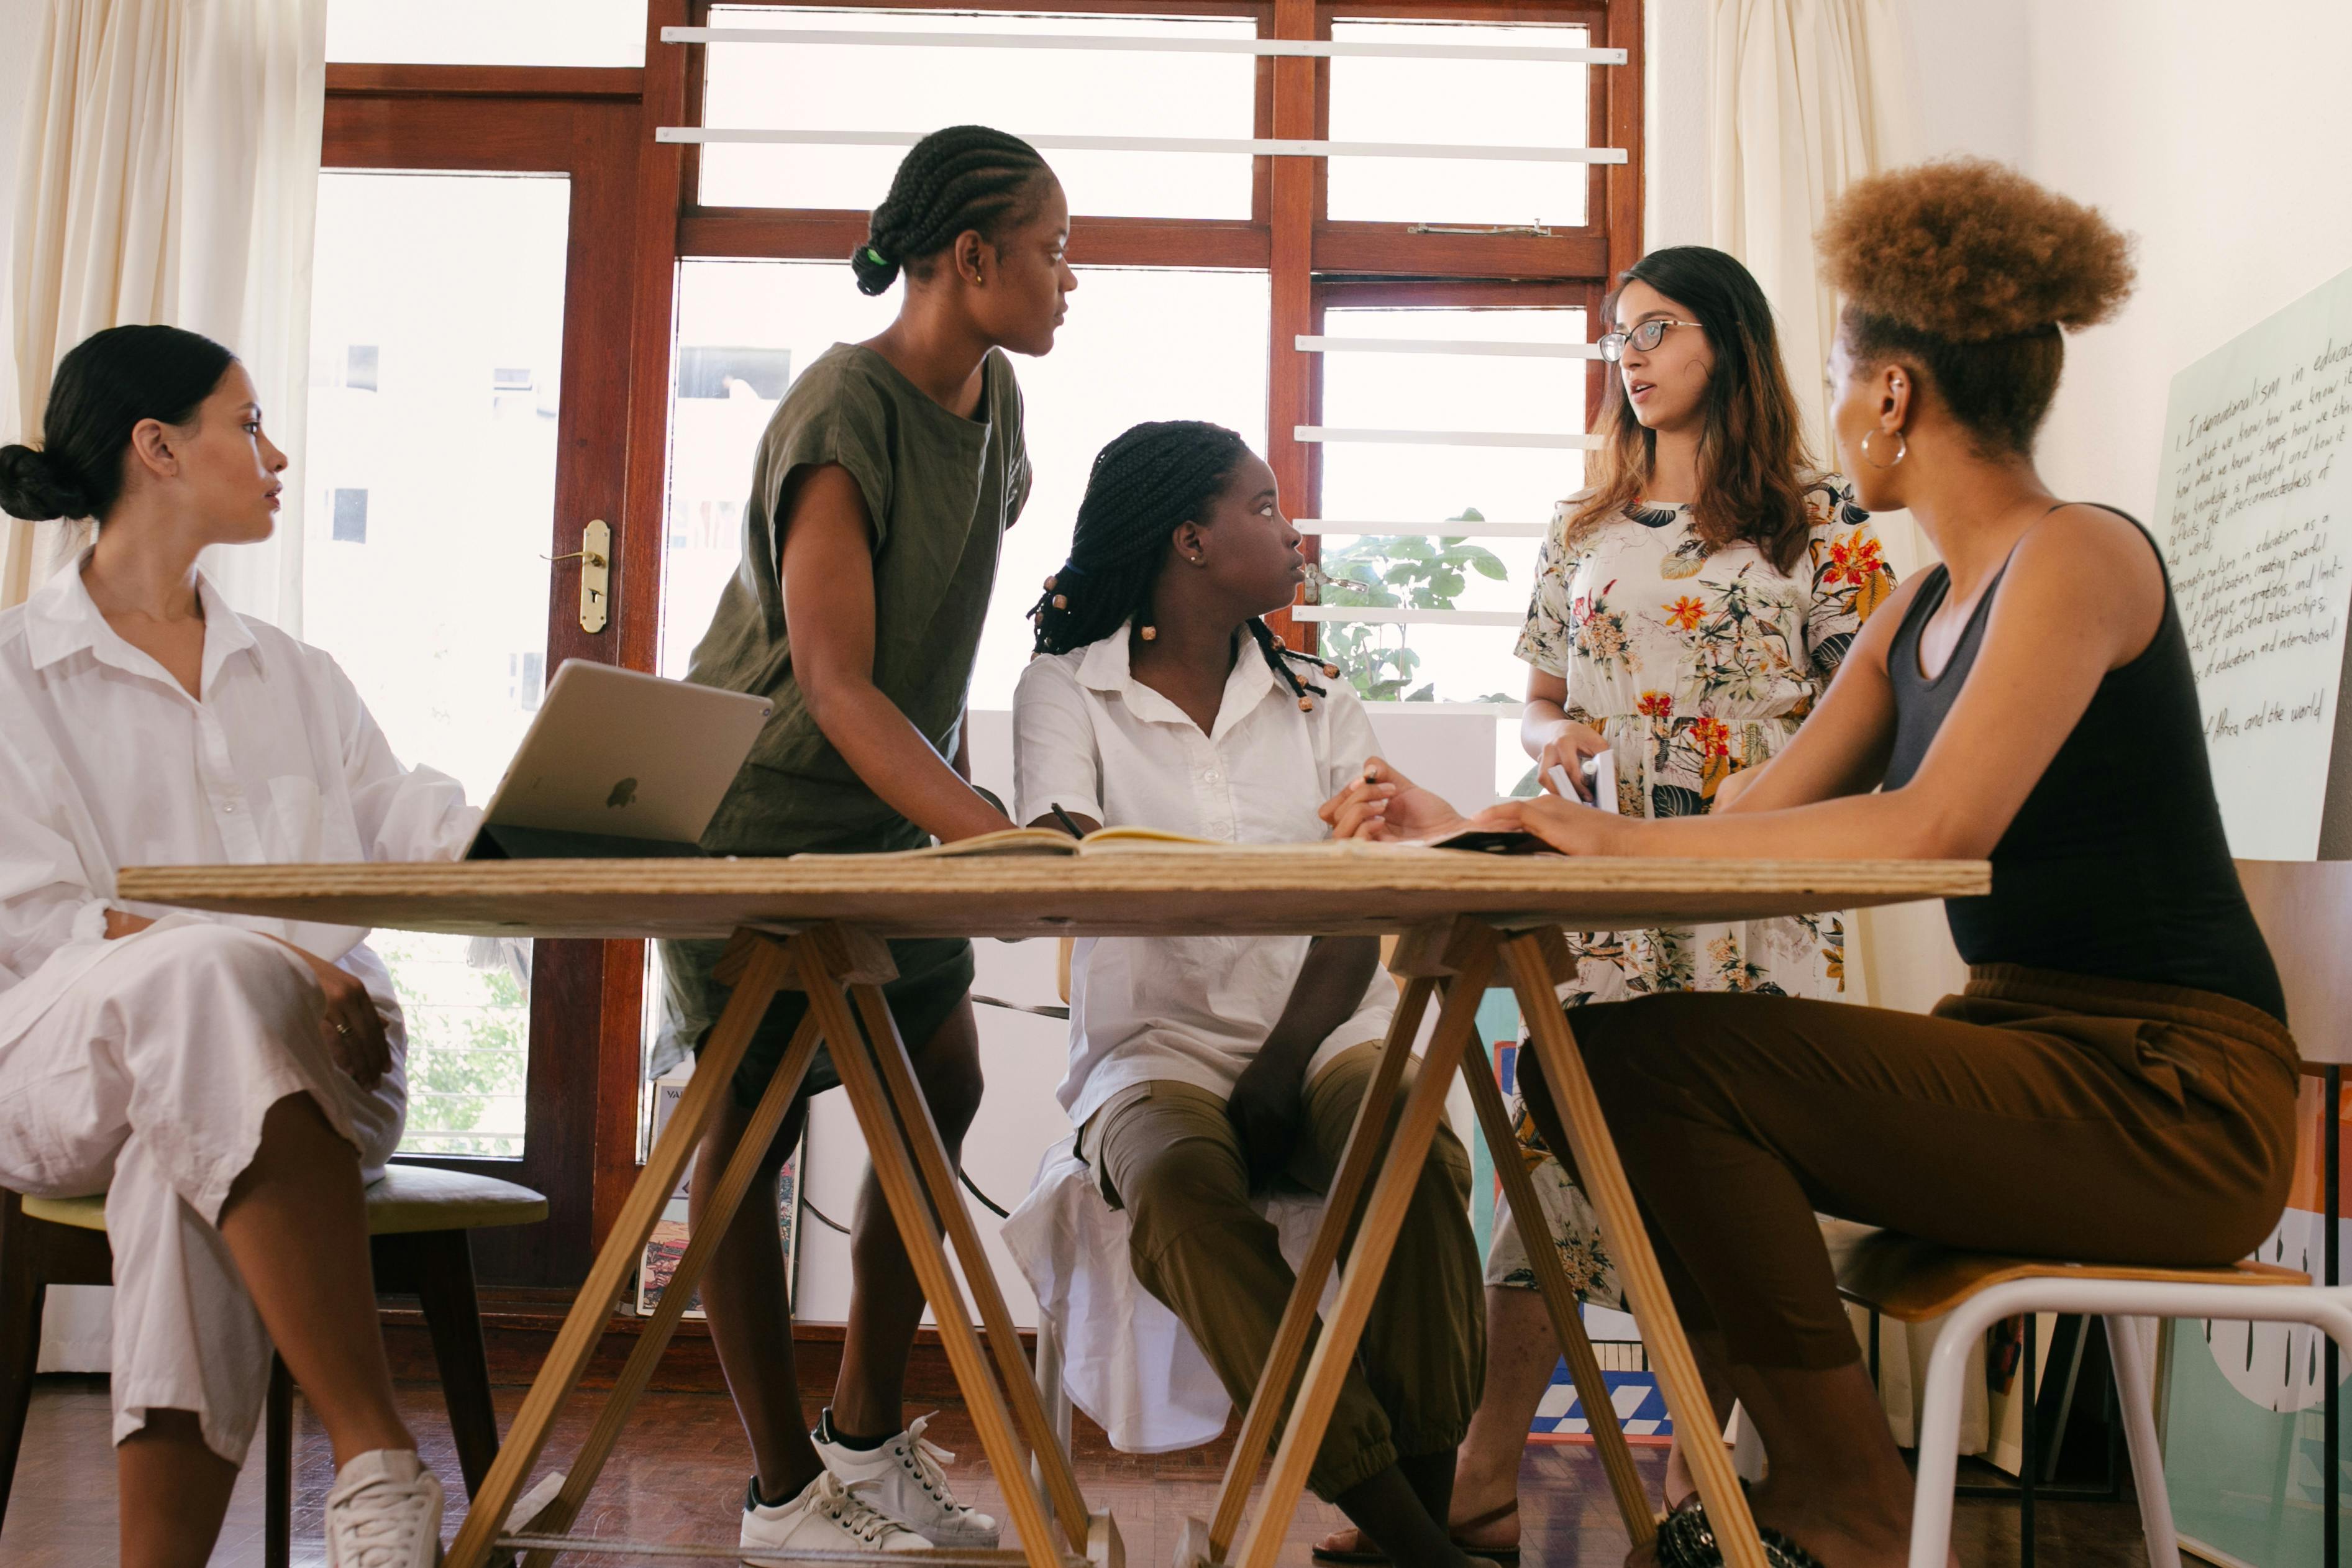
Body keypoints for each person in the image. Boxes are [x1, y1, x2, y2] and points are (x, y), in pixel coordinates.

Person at [1327, 159, 2295, 1568]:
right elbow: (1738, 835)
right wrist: (1484, 823)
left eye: (1847, 378)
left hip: (2167, 1095)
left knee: (1656, 1066)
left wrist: (1599, 832)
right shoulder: (1921, 604)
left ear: (1894, 393)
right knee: (1598, 1063)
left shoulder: (2077, 556)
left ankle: (1839, 1499)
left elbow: (1931, 830)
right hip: (2036, 1052)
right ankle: (1803, 1489)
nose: (1838, 409)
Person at [1321, 246, 1896, 1564]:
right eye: (1619, 334)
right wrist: (1553, 739)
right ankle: (1478, 1482)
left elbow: (1878, 713)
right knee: (1547, 1175)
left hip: (1755, 896)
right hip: (1600, 892)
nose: (1631, 354)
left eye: (1661, 327)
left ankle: (1686, 1495)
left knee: (1733, 1192)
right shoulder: (1580, 526)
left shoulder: (1825, 521)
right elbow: (1537, 694)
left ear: (1731, 344)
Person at [654, 125, 1076, 1561]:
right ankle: (781, 1494)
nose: (1071, 277)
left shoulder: (999, 404)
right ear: (971, 259)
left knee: (936, 1087)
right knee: (753, 1131)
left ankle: (863, 1437)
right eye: (1052, 248)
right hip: (760, 814)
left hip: (895, 808)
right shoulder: (841, 404)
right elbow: (832, 681)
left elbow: (949, 625)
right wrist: (1000, 836)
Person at [0, 325, 483, 1568]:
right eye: (248, 421)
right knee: (215, 985)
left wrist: (572, 815)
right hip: (61, 1062)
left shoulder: (299, 677)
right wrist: (283, 959)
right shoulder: (12, 678)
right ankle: (377, 1450)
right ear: (156, 448)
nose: (277, 452)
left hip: (320, 1073)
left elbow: (422, 830)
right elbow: (47, 922)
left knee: (187, 1162)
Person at [1013, 421, 1485, 1568]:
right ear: (1190, 540)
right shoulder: (1068, 693)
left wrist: (1277, 1068)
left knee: (1415, 1154)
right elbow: (1068, 875)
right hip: (1152, 1050)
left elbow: (1352, 915)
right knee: (1179, 1193)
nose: (1291, 529)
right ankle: (1416, 1539)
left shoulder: (1319, 697)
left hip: (1322, 1037)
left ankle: (1402, 1536)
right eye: (1264, 508)